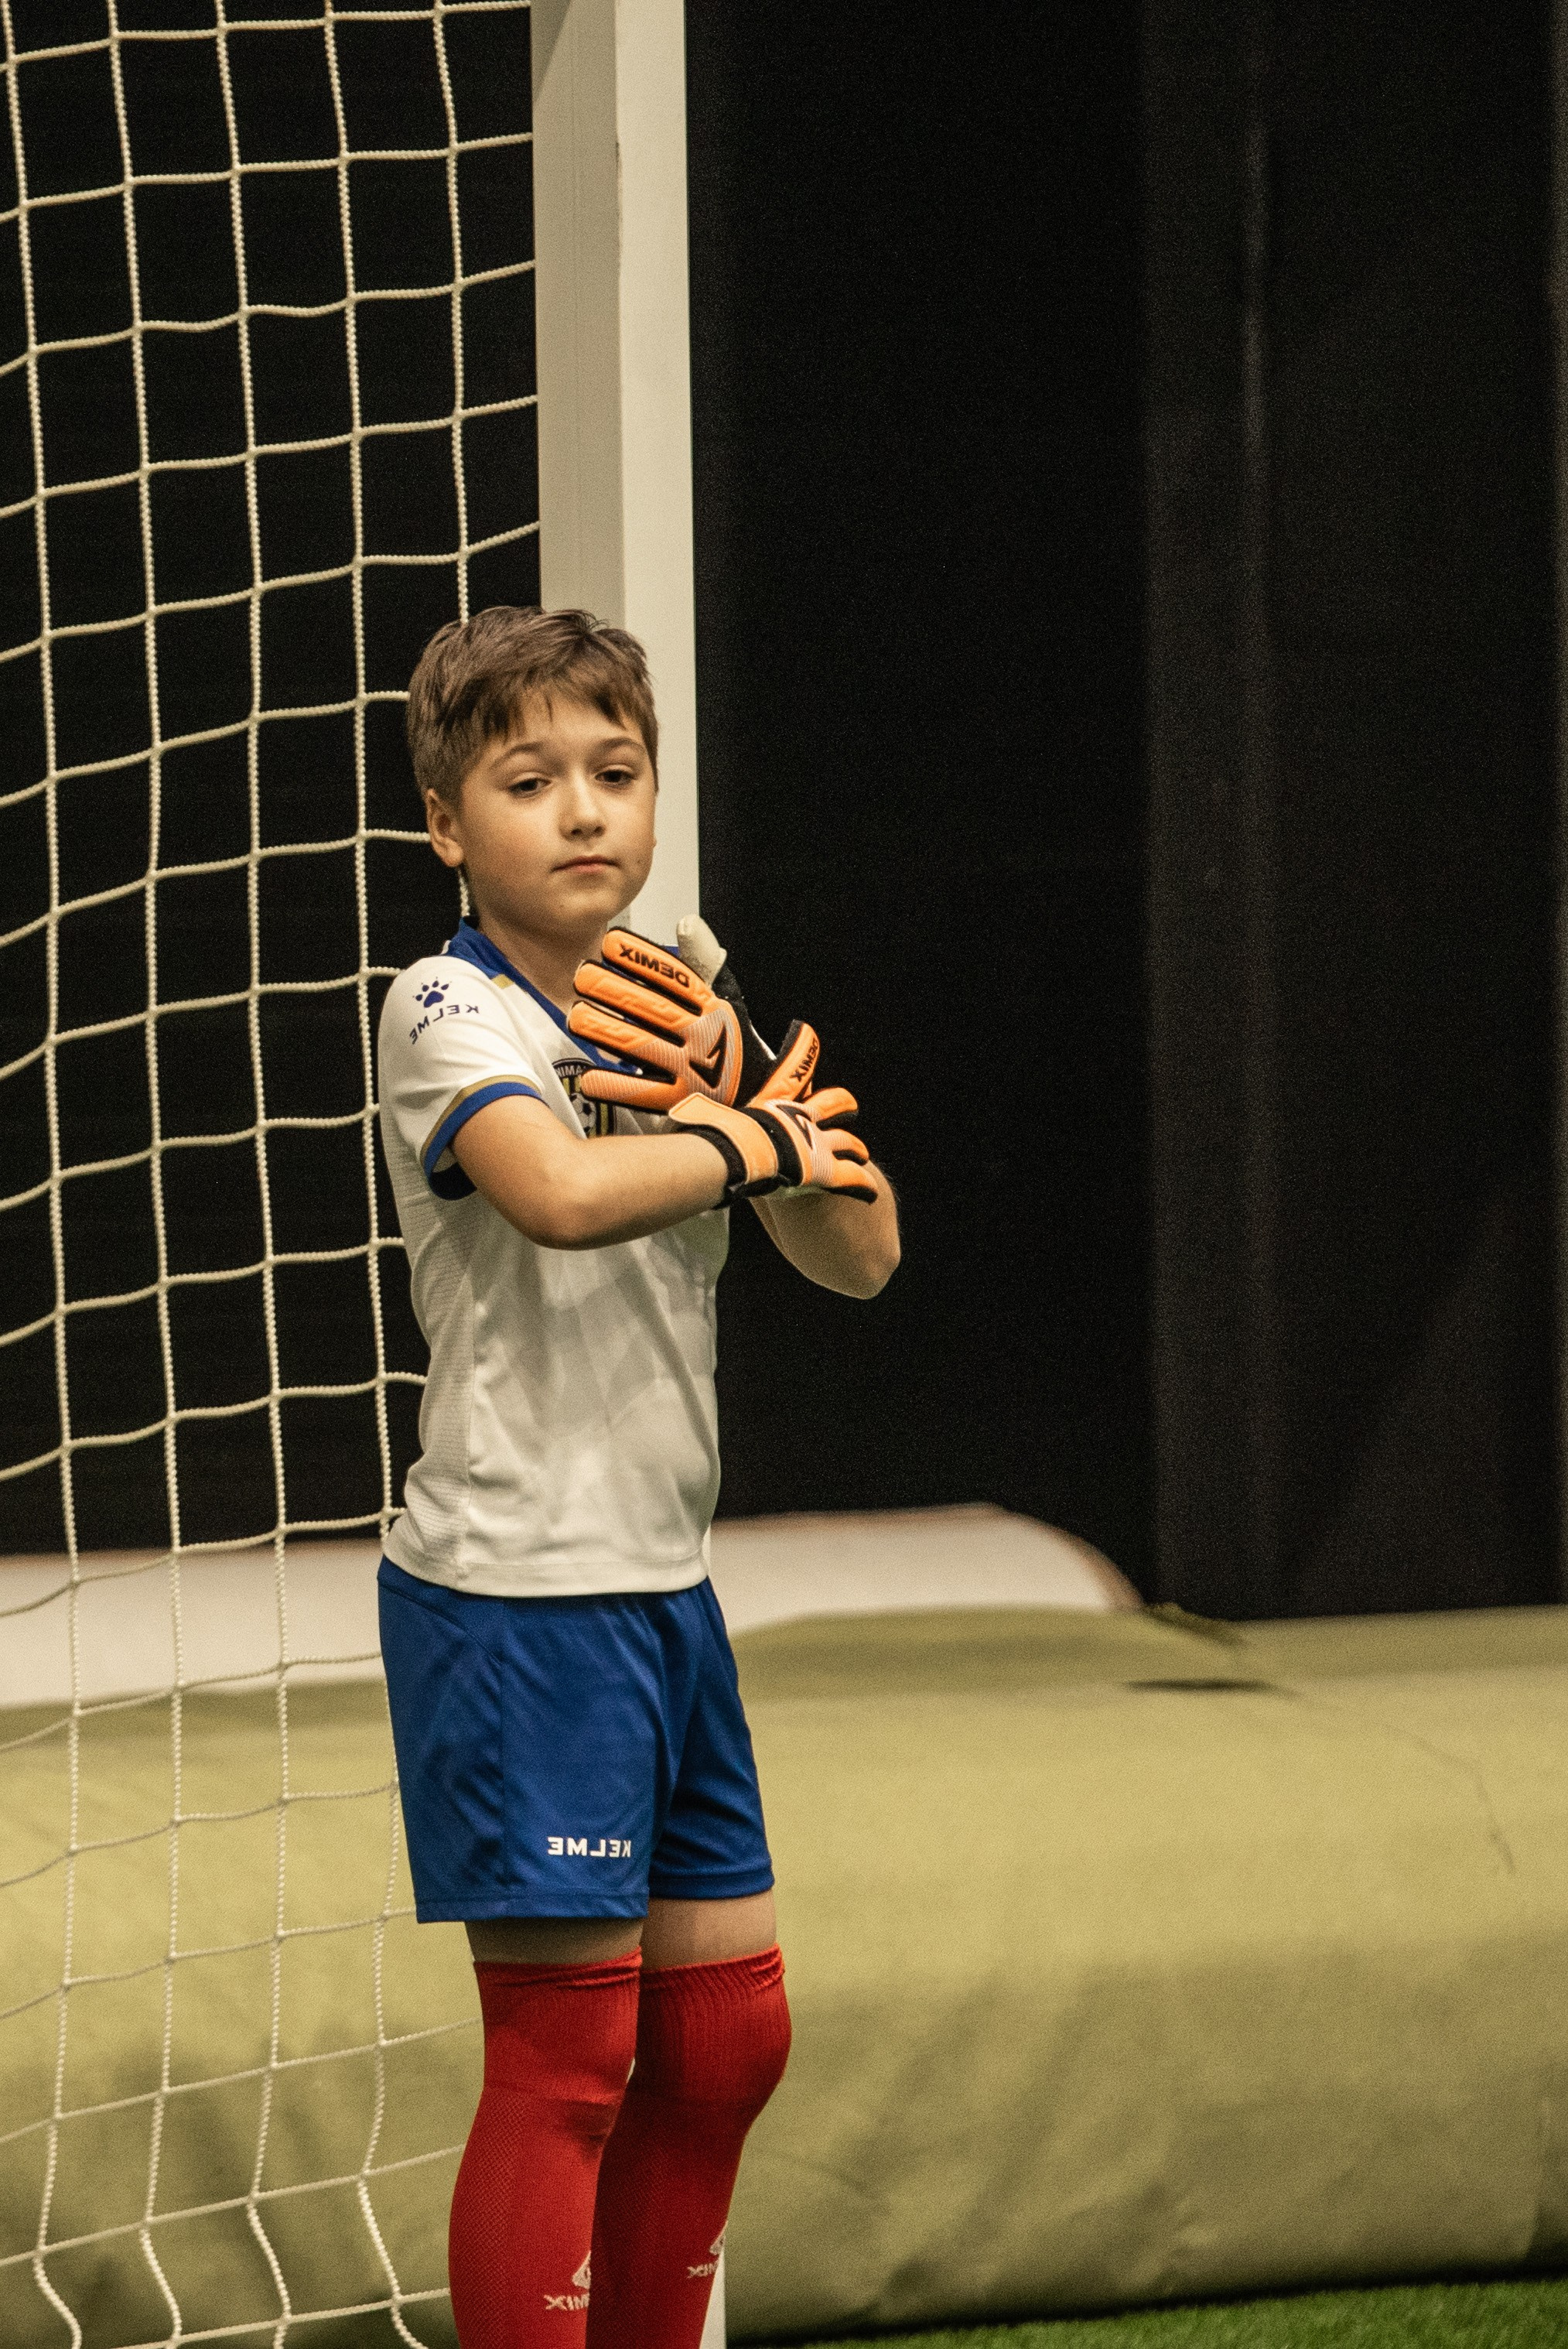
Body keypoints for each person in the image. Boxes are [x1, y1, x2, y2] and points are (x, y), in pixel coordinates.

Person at [374, 605, 900, 2348]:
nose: (586, 809)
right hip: (517, 1598)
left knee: (730, 2044)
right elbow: (562, 1195)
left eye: (619, 770)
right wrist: (747, 1138)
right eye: (531, 780)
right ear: (451, 823)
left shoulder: (686, 984)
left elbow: (865, 1252)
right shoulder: (446, 1004)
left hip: (661, 1590)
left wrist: (763, 1111)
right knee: (569, 2059)